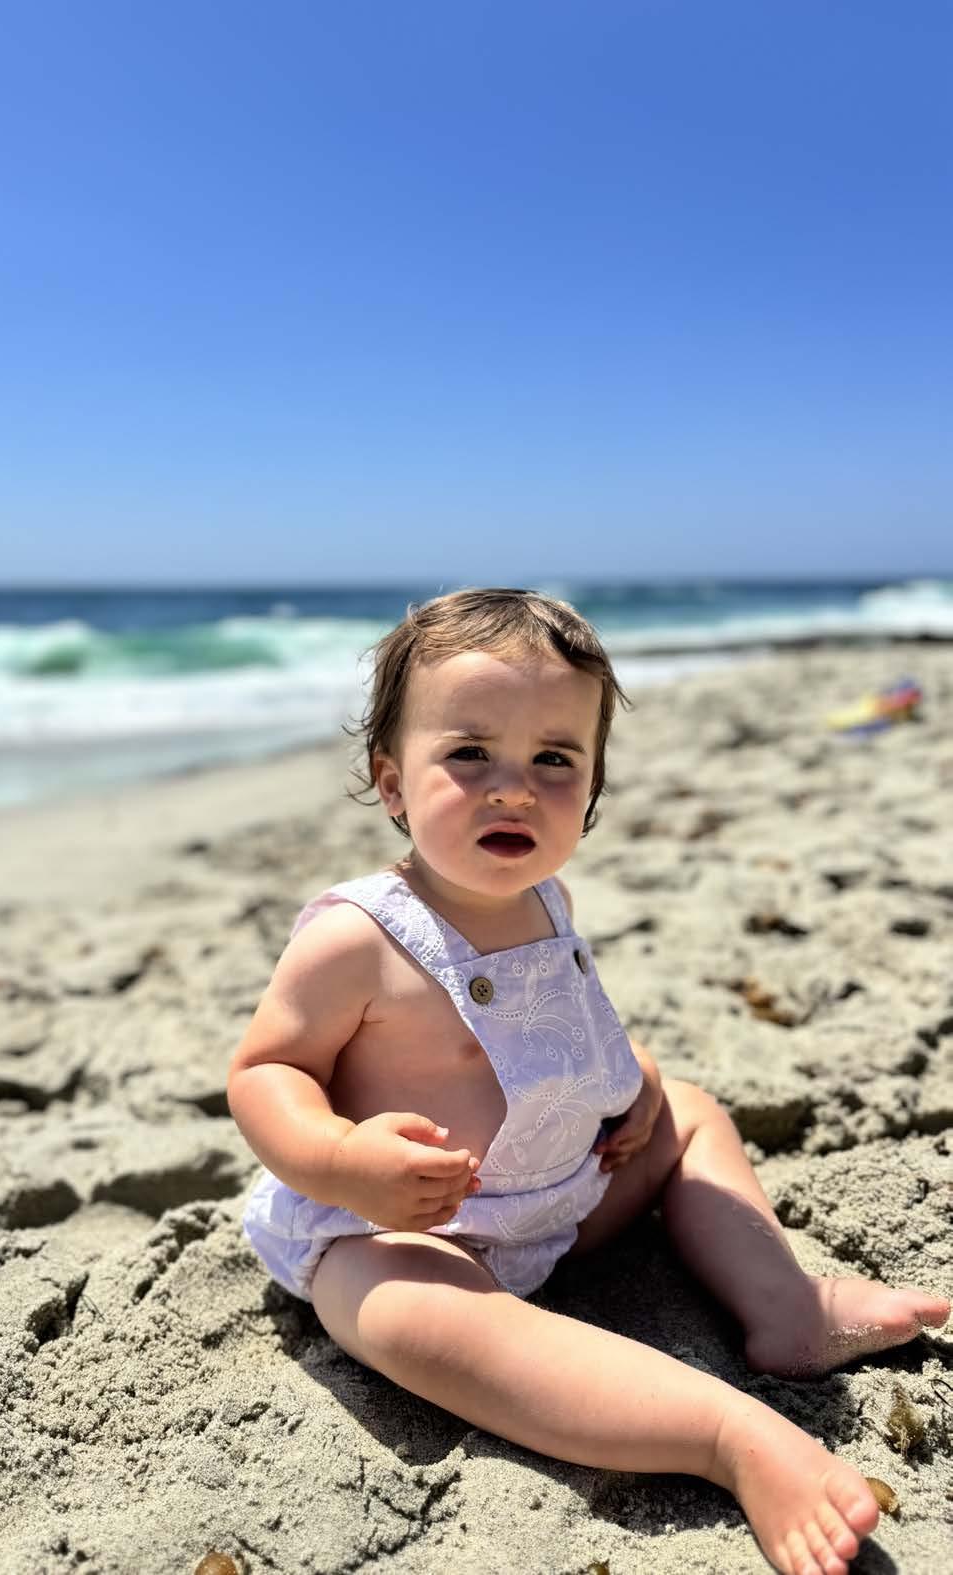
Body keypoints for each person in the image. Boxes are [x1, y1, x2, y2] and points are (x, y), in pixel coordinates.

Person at [226, 587, 948, 1575]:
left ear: (594, 784)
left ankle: (784, 1304)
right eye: (469, 754)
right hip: (409, 1228)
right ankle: (723, 1435)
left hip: (556, 1198)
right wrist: (344, 1160)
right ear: (392, 781)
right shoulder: (359, 938)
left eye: (554, 760)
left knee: (689, 1111)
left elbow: (565, 1023)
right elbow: (266, 1071)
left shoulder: (548, 898)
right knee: (403, 1311)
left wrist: (634, 1082)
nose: (514, 790)